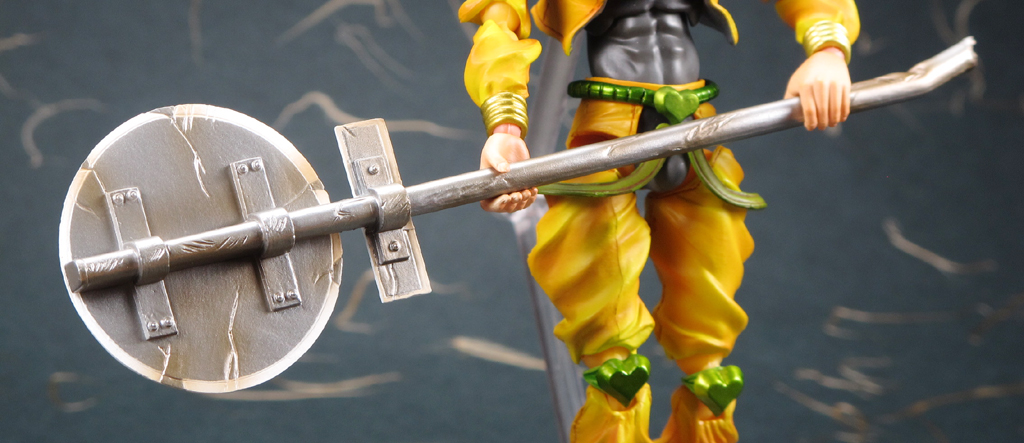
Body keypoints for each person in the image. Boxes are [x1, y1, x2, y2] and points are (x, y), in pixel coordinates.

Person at [458, 1, 858, 442]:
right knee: (611, 357)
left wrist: (827, 47)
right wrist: (505, 128)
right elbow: (500, 17)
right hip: (609, 130)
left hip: (696, 129)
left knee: (712, 363)